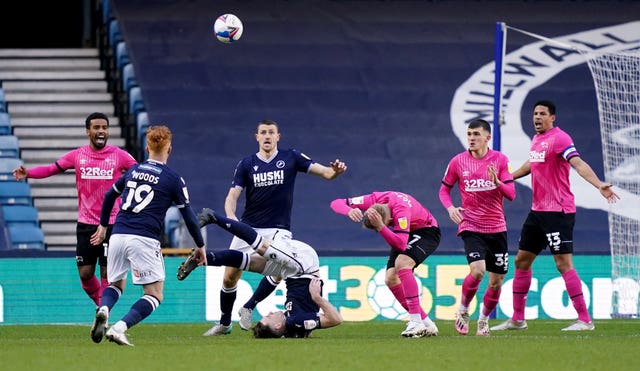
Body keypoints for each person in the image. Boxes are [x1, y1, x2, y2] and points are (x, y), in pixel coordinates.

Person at [186, 119, 346, 336]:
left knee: (281, 270)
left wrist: (335, 171)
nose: (268, 136)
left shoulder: (291, 157)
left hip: (278, 229)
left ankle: (248, 304)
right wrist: (233, 219)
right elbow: (233, 195)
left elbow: (327, 173)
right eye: (263, 132)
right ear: (257, 137)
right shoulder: (246, 164)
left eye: (272, 132)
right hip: (249, 226)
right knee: (230, 277)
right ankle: (225, 323)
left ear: (278, 137)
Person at [491, 100, 619, 332]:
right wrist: (505, 179)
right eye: (535, 114)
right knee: (521, 260)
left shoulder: (561, 139)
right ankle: (518, 319)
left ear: (552, 117)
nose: (537, 117)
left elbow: (578, 163)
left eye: (542, 114)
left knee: (563, 263)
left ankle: (585, 320)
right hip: (537, 212)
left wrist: (599, 184)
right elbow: (531, 165)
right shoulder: (537, 140)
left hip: (558, 212)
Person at [88, 125, 206, 346]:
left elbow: (108, 195)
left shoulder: (133, 170)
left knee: (114, 284)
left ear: (146, 147)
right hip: (143, 237)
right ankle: (119, 328)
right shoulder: (173, 179)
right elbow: (188, 215)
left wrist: (103, 226)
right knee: (154, 294)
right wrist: (200, 245)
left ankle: (104, 308)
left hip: (118, 234)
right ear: (169, 149)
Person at [12, 112, 137, 315]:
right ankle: (100, 306)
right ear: (88, 131)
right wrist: (29, 173)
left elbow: (139, 172)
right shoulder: (78, 155)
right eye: (96, 127)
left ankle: (104, 311)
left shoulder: (120, 155)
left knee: (108, 273)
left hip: (112, 223)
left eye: (104, 127)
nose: (101, 131)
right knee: (86, 274)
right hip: (86, 224)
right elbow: (53, 169)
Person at [178, 208, 343, 338]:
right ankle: (214, 217)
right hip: (304, 264)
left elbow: (276, 281)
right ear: (278, 326)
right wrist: (317, 299)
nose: (270, 312)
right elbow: (336, 319)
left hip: (291, 272)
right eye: (269, 317)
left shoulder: (292, 327)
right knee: (261, 246)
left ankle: (202, 260)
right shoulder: (296, 322)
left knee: (246, 262)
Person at [439, 119, 516, 337]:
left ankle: (483, 321)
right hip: (471, 225)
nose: (471, 138)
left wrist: (498, 182)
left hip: (497, 227)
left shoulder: (500, 160)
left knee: (496, 281)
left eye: (476, 134)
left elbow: (511, 195)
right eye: (469, 134)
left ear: (487, 138)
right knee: (478, 270)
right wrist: (450, 208)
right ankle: (463, 310)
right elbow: (443, 191)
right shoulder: (458, 162)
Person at [330, 191, 440, 338]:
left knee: (403, 264)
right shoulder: (373, 200)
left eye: (387, 224)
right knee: (390, 278)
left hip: (426, 231)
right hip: (405, 232)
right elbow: (336, 202)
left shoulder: (401, 211)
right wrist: (349, 210)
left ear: (388, 219)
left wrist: (382, 227)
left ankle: (416, 321)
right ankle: (427, 324)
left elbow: (401, 244)